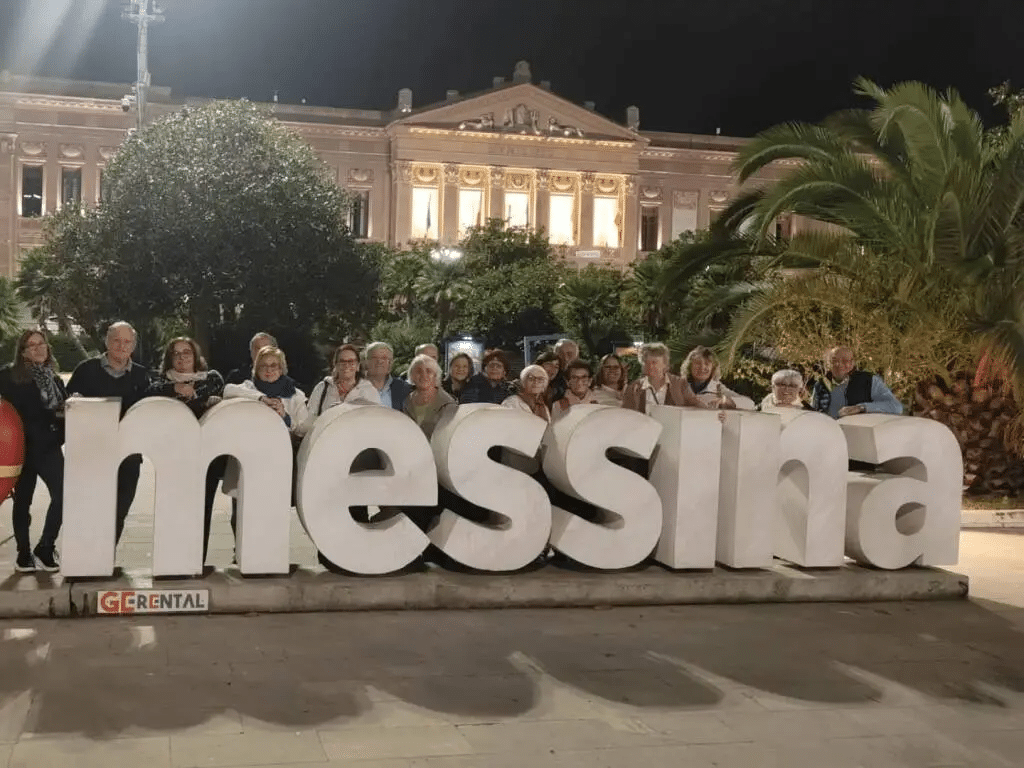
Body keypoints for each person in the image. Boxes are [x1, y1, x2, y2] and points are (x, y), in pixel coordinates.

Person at [67, 321, 151, 545]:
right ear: (107, 341)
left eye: (127, 342)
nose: (121, 346)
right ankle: (87, 556)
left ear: (133, 346)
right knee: (92, 507)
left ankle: (106, 556)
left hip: (129, 456)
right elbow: (69, 407)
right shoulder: (86, 370)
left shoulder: (142, 376)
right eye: (116, 340)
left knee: (120, 509)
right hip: (92, 454)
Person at [148, 337, 227, 566]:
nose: (182, 357)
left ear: (196, 356)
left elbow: (215, 404)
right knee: (173, 509)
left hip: (206, 455)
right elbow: (148, 395)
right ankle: (172, 561)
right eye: (176, 354)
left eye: (187, 352)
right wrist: (175, 389)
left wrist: (194, 400)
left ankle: (196, 562)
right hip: (174, 455)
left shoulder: (212, 378)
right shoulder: (161, 382)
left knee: (203, 508)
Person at [0, 330, 68, 572]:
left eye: (42, 344)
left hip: (48, 448)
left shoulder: (54, 378)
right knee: (23, 503)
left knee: (64, 497)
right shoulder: (9, 376)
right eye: (32, 345)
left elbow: (58, 411)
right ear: (22, 351)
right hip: (21, 448)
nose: (39, 349)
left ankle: (46, 547)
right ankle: (23, 554)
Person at [300, 344, 380, 435]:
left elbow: (374, 423)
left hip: (356, 444)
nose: (346, 365)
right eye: (342, 361)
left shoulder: (369, 391)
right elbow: (308, 422)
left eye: (351, 361)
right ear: (336, 365)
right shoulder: (322, 388)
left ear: (358, 366)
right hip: (325, 442)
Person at [223, 346, 309, 430]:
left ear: (281, 369)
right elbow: (228, 390)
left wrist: (285, 416)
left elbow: (303, 430)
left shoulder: (296, 395)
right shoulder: (249, 387)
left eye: (273, 365)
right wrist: (262, 398)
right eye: (263, 366)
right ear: (257, 369)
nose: (268, 370)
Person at [811, 346, 903, 418]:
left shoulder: (869, 381)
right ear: (828, 363)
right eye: (834, 360)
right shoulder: (820, 385)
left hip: (858, 436)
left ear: (852, 363)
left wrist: (862, 408)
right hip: (830, 436)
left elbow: (896, 407)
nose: (838, 364)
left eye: (844, 361)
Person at [621, 342, 707, 413]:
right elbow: (626, 415)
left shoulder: (680, 384)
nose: (650, 366)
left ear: (665, 365)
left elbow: (697, 406)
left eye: (654, 362)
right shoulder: (633, 388)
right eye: (645, 362)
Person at [680, 345, 754, 410]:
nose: (702, 367)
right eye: (697, 363)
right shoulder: (679, 386)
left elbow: (750, 404)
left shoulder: (718, 389)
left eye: (707, 364)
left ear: (713, 368)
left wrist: (725, 401)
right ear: (689, 366)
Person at [404, 354, 456, 438]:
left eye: (428, 371)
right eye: (418, 371)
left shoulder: (448, 404)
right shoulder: (406, 400)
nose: (424, 375)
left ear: (435, 376)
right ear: (412, 376)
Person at [365, 341, 411, 411]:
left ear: (391, 363)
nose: (379, 361)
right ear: (366, 362)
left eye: (384, 358)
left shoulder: (404, 389)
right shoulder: (354, 387)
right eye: (374, 357)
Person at [548, 338, 579, 404]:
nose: (565, 358)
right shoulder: (549, 379)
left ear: (577, 356)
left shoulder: (587, 377)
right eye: (560, 354)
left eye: (569, 354)